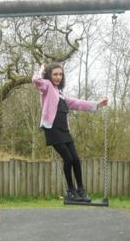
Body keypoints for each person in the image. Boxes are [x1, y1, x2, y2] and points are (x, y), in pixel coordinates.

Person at [32, 62, 108, 202]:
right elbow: (36, 81)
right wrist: (41, 71)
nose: (58, 77)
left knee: (76, 159)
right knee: (67, 159)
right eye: (55, 74)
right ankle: (71, 191)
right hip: (52, 129)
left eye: (60, 74)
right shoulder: (47, 87)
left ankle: (81, 190)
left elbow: (78, 103)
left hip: (64, 130)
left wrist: (97, 104)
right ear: (49, 75)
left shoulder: (61, 94)